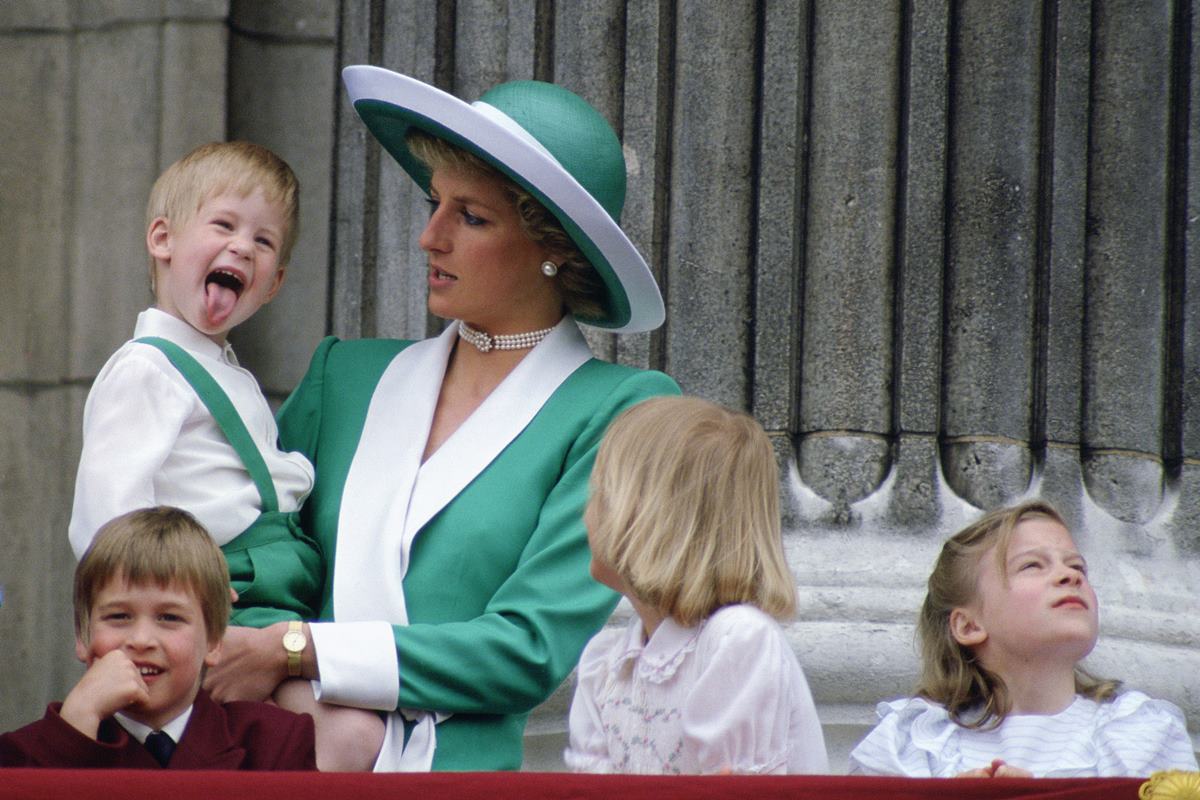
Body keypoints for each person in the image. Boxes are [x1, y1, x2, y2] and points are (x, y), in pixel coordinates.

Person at [202, 66, 680, 772]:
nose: (430, 236)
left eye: (472, 216)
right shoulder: (346, 374)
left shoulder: (620, 410)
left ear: (555, 247)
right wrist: (292, 691)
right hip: (281, 759)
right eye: (435, 203)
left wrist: (300, 651)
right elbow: (256, 561)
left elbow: (527, 649)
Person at [68, 141, 321, 629]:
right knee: (326, 705)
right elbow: (105, 516)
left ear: (273, 285)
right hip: (217, 594)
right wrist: (163, 604)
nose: (243, 246)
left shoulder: (224, 371)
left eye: (264, 242)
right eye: (224, 225)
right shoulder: (148, 370)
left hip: (269, 586)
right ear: (163, 239)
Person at [563, 396, 829, 774]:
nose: (584, 513)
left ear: (649, 517)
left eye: (600, 495)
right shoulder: (606, 663)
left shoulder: (736, 640)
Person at [849, 500, 1199, 777]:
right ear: (968, 626)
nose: (1068, 576)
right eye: (1032, 565)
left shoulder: (1141, 734)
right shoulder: (912, 742)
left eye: (1077, 567)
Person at [0, 507, 316, 769]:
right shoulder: (19, 756)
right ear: (83, 635)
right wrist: (76, 727)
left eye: (169, 618)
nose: (141, 640)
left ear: (214, 642)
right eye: (119, 617)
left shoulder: (275, 743)